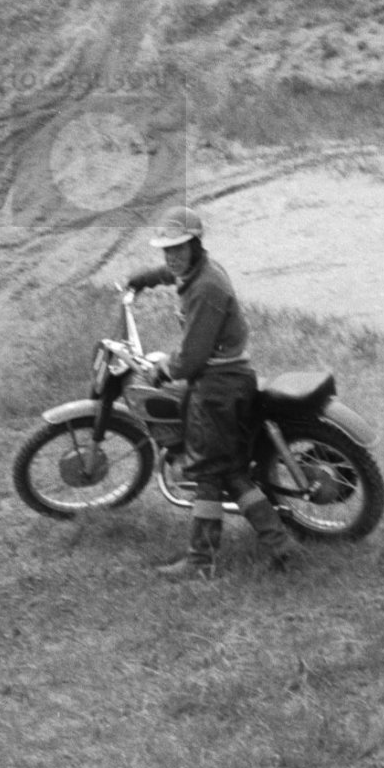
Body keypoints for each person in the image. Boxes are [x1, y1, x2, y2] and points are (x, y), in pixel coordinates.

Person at [123, 211, 293, 579]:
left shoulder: (205, 289)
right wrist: (145, 279)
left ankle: (201, 561)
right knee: (231, 472)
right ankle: (280, 544)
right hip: (229, 380)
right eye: (166, 250)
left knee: (207, 474)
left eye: (178, 248)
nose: (172, 256)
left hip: (218, 387)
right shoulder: (201, 271)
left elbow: (192, 357)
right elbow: (174, 272)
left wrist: (162, 369)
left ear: (195, 245)